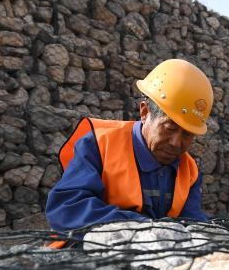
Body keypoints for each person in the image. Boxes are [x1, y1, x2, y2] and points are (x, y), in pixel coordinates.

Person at [45, 59, 212, 236]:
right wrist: (142, 226)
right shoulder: (100, 145)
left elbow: (192, 222)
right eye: (169, 128)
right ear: (145, 112)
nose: (176, 142)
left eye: (187, 134)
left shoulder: (189, 171)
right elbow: (67, 207)